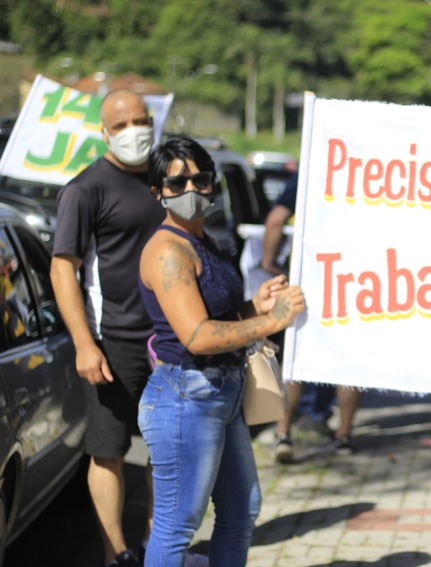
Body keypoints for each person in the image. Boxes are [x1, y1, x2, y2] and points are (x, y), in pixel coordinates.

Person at [137, 136, 305, 566]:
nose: (191, 190)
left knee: (241, 509)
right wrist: (271, 321)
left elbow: (219, 316)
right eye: (177, 184)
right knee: (177, 524)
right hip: (185, 398)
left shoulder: (203, 241)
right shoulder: (168, 251)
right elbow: (198, 335)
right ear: (157, 192)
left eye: (201, 179)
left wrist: (256, 306)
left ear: (212, 185)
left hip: (220, 394)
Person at [50, 89, 162, 567]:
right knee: (109, 452)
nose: (134, 131)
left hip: (174, 340)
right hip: (113, 343)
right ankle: (114, 554)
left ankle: (162, 549)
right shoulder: (85, 189)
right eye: (121, 125)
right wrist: (83, 343)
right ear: (105, 132)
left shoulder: (169, 179)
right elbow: (62, 269)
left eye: (141, 120)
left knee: (168, 453)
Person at [259, 165, 363, 464]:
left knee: (296, 356)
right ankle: (344, 434)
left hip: (310, 276)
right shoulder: (362, 171)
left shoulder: (309, 170)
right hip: (354, 278)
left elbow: (275, 220)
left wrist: (269, 261)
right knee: (348, 358)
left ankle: (282, 432)